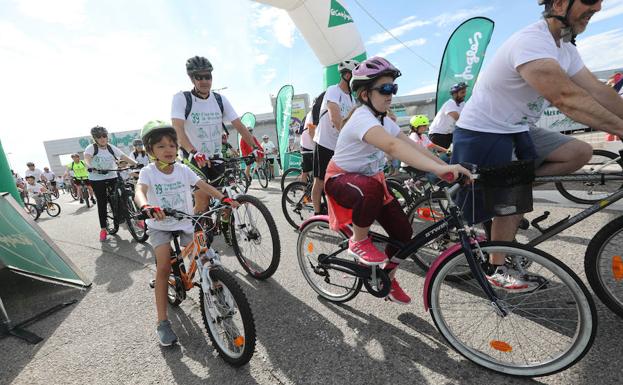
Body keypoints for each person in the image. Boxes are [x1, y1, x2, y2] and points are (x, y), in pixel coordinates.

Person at [451, 0, 623, 291]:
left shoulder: (565, 49)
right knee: (509, 200)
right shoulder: (532, 42)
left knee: (579, 152)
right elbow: (566, 98)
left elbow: (596, 91)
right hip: (484, 131)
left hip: (519, 128)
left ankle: (512, 193)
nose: (597, 8)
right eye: (589, 0)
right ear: (558, 3)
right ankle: (496, 267)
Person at [324, 56, 470, 305]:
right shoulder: (362, 118)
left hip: (369, 183)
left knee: (404, 235)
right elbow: (392, 146)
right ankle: (358, 241)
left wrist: (443, 167)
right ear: (364, 95)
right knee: (370, 188)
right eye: (385, 89)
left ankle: (387, 278)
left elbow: (406, 143)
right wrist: (437, 169)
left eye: (394, 88)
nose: (391, 94)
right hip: (340, 179)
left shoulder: (383, 120)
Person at [134, 120, 239, 346]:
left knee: (206, 256)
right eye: (161, 146)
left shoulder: (183, 169)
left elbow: (203, 184)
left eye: (172, 144)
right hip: (160, 226)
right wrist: (146, 207)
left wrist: (223, 198)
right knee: (163, 268)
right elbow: (139, 191)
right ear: (150, 150)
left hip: (185, 222)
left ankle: (217, 289)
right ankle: (162, 322)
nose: (168, 149)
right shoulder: (148, 172)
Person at [171, 55, 259, 214]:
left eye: (208, 76)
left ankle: (227, 232)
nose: (205, 81)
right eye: (199, 77)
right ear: (192, 79)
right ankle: (197, 232)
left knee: (225, 200)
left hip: (216, 155)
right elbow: (177, 129)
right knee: (203, 200)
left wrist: (255, 147)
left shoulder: (220, 99)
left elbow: (238, 125)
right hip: (194, 157)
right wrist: (193, 152)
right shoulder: (182, 98)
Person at [312, 59, 359, 215]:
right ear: (346, 75)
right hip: (325, 142)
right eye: (355, 76)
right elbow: (335, 117)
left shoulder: (352, 98)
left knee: (340, 177)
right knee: (319, 180)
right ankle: (317, 213)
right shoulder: (333, 90)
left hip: (339, 145)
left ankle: (338, 208)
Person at [84, 126, 137, 241]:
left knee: (121, 197)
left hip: (112, 175)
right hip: (97, 178)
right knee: (102, 202)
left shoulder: (111, 148)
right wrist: (90, 166)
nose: (102, 138)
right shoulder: (91, 148)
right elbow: (87, 158)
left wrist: (136, 163)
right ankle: (103, 228)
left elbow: (124, 157)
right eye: (99, 137)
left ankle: (132, 220)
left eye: (104, 136)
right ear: (95, 138)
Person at [428, 82, 467, 149]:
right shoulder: (450, 103)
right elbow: (458, 118)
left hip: (448, 134)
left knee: (455, 152)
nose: (464, 94)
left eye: (465, 92)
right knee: (443, 156)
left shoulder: (462, 104)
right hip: (438, 134)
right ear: (455, 94)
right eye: (462, 92)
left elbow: (467, 116)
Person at [299, 110, 316, 183]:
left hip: (305, 144)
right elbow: (311, 131)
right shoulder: (313, 113)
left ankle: (305, 192)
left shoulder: (308, 115)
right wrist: (316, 144)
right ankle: (306, 191)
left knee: (305, 171)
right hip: (309, 145)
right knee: (317, 171)